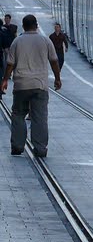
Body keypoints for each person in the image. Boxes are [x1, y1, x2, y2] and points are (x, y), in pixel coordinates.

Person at [2, 15, 61, 158]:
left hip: (21, 85)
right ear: (36, 25)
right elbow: (54, 61)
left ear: (23, 26)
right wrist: (57, 79)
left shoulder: (17, 41)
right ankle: (40, 149)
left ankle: (17, 146)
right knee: (39, 117)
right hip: (40, 85)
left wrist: (4, 80)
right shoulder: (45, 40)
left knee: (18, 115)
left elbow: (10, 64)